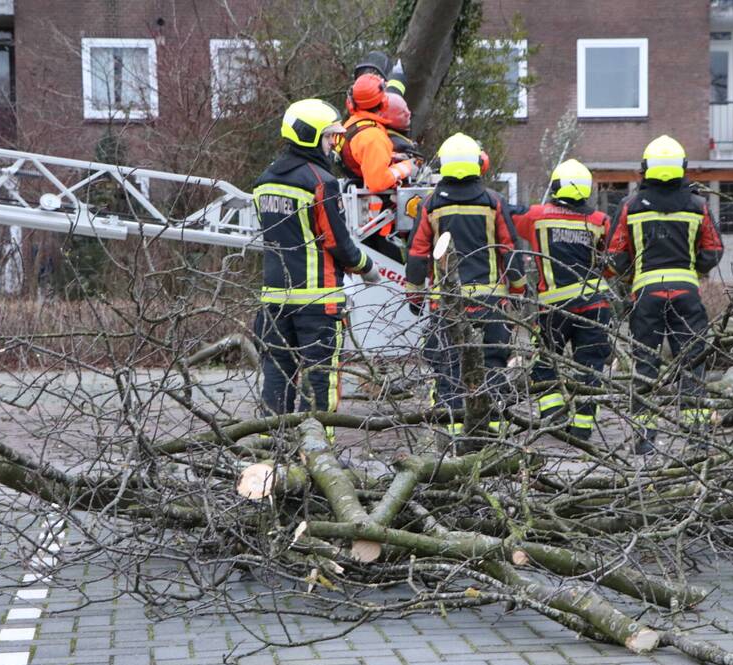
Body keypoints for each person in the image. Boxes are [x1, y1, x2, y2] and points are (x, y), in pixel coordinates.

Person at [252, 99, 379, 439]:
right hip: (317, 301)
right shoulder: (321, 182)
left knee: (277, 375)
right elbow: (336, 241)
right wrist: (367, 267)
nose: (333, 145)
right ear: (311, 137)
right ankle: (318, 451)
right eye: (329, 137)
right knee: (320, 379)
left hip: (274, 300)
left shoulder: (264, 182)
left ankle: (270, 447)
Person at [607, 135, 723, 455]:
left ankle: (645, 442)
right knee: (692, 366)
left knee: (645, 367)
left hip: (646, 295)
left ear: (645, 170)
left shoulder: (630, 206)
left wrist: (633, 276)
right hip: (687, 294)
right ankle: (698, 439)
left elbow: (615, 256)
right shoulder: (698, 205)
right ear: (682, 168)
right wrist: (692, 268)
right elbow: (713, 251)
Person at [405, 133, 526, 437]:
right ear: (477, 165)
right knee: (493, 366)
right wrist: (519, 292)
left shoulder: (431, 205)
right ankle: (492, 434)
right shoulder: (493, 202)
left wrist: (415, 296)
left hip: (447, 304)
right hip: (489, 303)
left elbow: (418, 254)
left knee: (447, 368)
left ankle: (452, 435)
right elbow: (509, 250)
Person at [513, 159, 612, 442]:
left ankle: (553, 419)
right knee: (590, 366)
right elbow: (611, 263)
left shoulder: (537, 216)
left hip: (553, 310)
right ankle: (582, 428)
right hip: (594, 307)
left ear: (555, 187)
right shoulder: (600, 221)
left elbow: (505, 218)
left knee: (544, 362)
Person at [339, 73, 416, 193]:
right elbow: (378, 183)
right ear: (384, 102)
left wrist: (394, 157)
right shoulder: (373, 137)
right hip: (378, 208)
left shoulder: (353, 124)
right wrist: (406, 167)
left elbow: (365, 157)